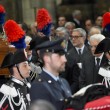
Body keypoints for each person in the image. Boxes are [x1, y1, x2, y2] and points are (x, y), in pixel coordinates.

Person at [30, 38, 72, 110]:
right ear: (47, 59)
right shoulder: (39, 86)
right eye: (59, 56)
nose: (65, 60)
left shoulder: (64, 82)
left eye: (64, 56)